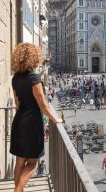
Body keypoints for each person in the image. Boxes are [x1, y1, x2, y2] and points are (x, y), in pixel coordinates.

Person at [10, 43, 62, 192]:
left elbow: (17, 103)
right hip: (32, 123)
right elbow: (42, 103)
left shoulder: (15, 78)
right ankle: (17, 190)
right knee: (32, 162)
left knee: (20, 161)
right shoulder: (34, 78)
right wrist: (55, 119)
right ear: (34, 58)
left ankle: (18, 189)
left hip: (19, 121)